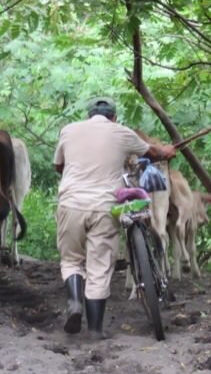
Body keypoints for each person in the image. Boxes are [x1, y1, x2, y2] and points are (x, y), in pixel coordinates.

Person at [53, 97, 176, 339]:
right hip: (104, 208)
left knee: (71, 260)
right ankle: (95, 330)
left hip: (70, 205)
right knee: (99, 266)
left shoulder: (68, 130)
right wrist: (166, 151)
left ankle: (75, 304)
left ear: (88, 116)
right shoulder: (122, 132)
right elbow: (152, 152)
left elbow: (59, 166)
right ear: (114, 117)